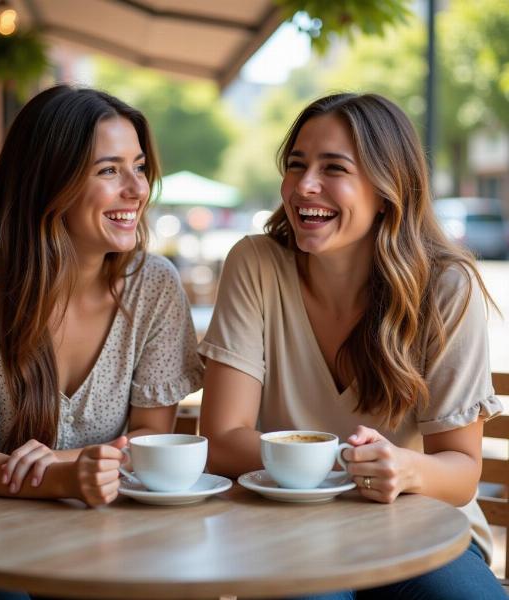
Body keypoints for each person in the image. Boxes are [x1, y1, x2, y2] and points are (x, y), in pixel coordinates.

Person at [198, 92, 506, 599]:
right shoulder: (254, 264)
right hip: (289, 531)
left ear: (387, 189)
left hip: (417, 532)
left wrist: (405, 469)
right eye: (296, 165)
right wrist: (349, 461)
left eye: (333, 168)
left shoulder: (447, 287)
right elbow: (224, 440)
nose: (304, 186)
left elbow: (459, 473)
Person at [0, 85, 203, 599]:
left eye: (138, 167)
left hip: (95, 541)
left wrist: (61, 465)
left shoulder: (153, 286)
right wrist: (70, 477)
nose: (137, 189)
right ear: (50, 183)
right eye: (109, 170)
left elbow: (149, 447)